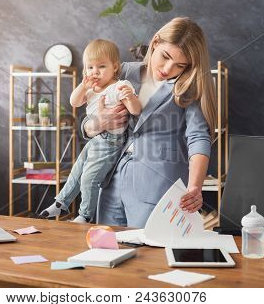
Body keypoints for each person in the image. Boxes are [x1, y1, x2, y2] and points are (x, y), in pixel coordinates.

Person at [81, 17, 217, 228]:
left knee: (149, 256)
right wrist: (96, 125)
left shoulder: (187, 88)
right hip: (110, 181)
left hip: (157, 187)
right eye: (165, 56)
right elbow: (89, 117)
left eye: (180, 65)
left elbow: (198, 137)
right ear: (155, 43)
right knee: (108, 249)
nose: (168, 68)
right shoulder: (123, 72)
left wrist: (195, 186)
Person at [40, 39, 141, 223]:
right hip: (96, 138)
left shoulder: (118, 86)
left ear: (115, 67)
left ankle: (85, 215)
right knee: (77, 170)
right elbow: (74, 102)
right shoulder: (91, 89)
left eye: (101, 66)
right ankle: (60, 203)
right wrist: (83, 86)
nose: (95, 72)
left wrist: (130, 97)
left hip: (111, 140)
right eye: (90, 67)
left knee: (90, 177)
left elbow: (135, 110)